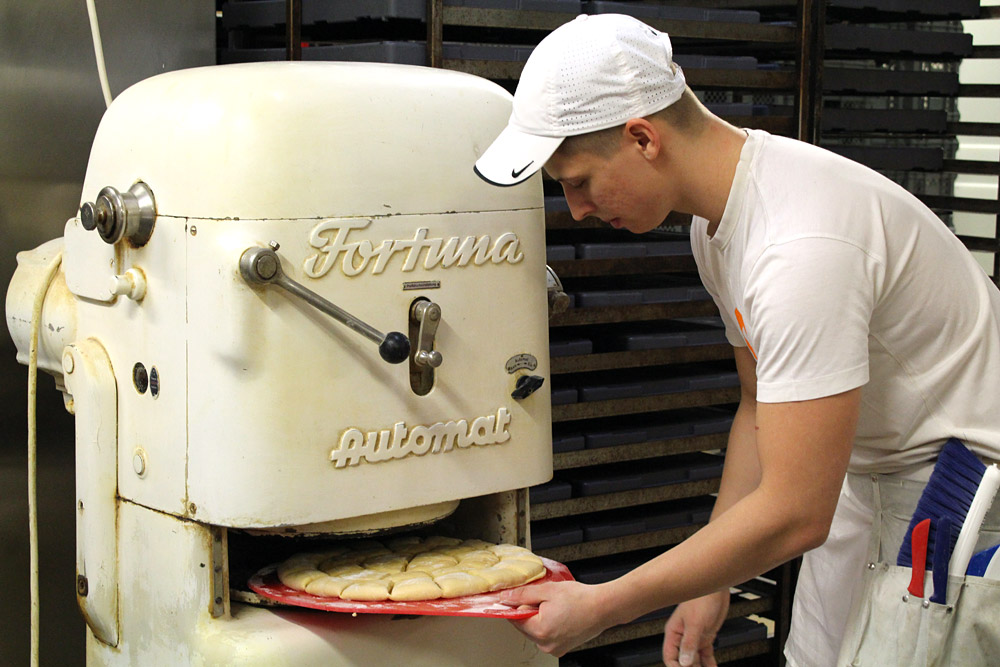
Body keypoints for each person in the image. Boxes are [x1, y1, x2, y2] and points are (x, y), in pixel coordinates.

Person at [473, 13, 1000, 667]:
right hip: (866, 478)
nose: (576, 210)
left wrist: (604, 606)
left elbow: (795, 509)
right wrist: (710, 574)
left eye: (578, 181)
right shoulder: (717, 224)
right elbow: (758, 404)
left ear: (642, 138)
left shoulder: (800, 246)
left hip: (962, 500)